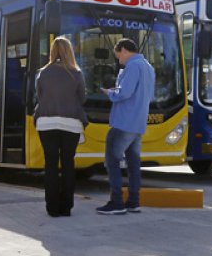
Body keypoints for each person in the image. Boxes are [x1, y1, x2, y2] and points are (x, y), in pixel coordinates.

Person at [97, 38, 155, 215]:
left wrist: (109, 92)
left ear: (123, 50)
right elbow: (150, 96)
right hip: (138, 123)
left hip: (124, 122)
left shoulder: (133, 66)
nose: (118, 60)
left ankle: (116, 202)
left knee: (112, 161)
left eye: (118, 55)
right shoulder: (148, 67)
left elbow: (124, 92)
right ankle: (133, 202)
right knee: (133, 164)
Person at [34, 36, 89, 217]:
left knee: (50, 164)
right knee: (68, 164)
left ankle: (52, 208)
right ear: (70, 52)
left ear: (52, 51)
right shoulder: (77, 73)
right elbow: (82, 98)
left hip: (46, 122)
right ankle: (66, 207)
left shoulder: (42, 72)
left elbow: (39, 96)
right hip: (70, 124)